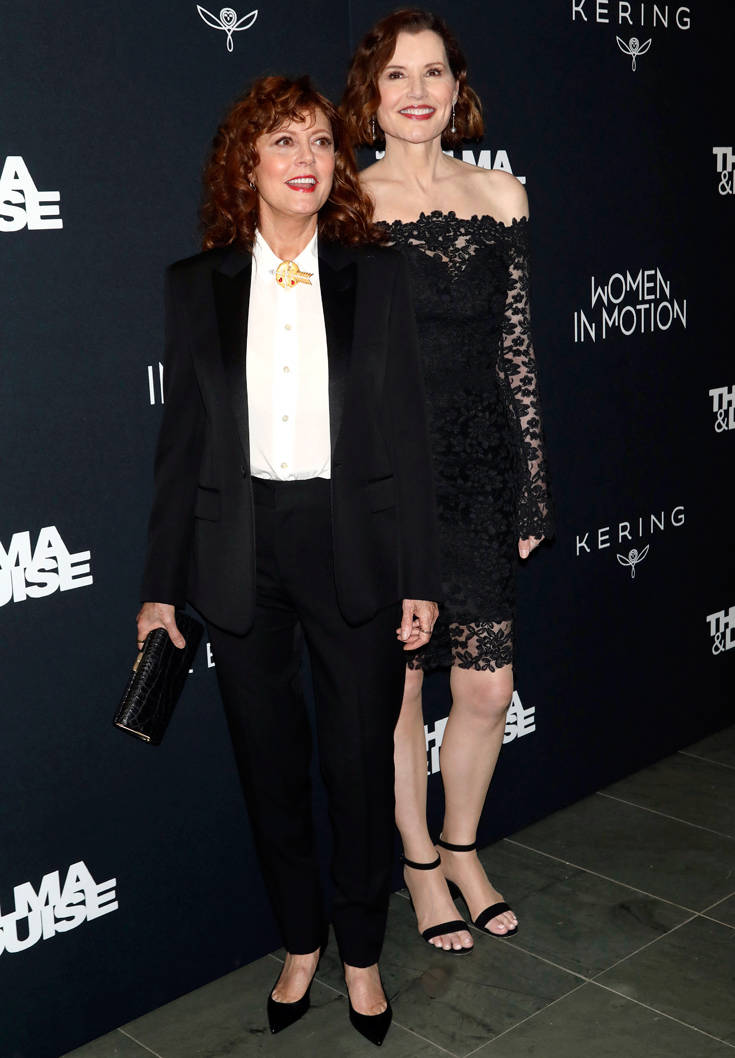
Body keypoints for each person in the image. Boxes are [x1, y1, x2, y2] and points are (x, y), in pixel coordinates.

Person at [136, 74, 441, 1045]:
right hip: (238, 550)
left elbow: (410, 432)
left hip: (353, 545)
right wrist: (160, 586)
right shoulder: (196, 284)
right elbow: (182, 442)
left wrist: (421, 574)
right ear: (247, 164)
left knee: (357, 767)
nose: (305, 158)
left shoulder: (377, 276)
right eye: (282, 141)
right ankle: (300, 943)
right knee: (270, 768)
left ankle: (362, 953)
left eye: (318, 140)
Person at [342, 10, 553, 954]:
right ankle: (420, 864)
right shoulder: (345, 202)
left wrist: (532, 483)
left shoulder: (502, 195)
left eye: (433, 72)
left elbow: (516, 354)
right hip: (388, 477)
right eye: (397, 74)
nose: (417, 91)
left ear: (456, 88)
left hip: (479, 468)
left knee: (485, 688)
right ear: (371, 94)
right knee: (399, 692)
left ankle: (464, 847)